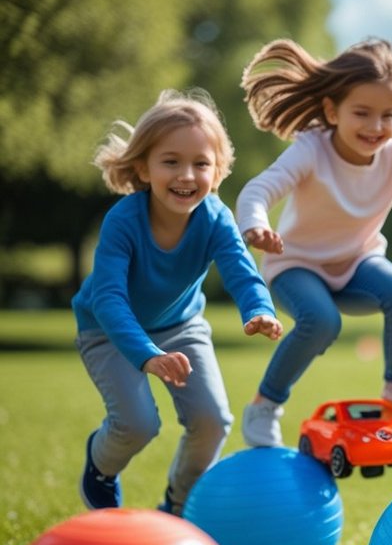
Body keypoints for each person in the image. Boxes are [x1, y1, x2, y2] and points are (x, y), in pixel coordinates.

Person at [235, 37, 392, 448]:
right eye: (362, 113)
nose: (375, 127)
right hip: (296, 266)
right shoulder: (311, 150)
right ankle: (264, 405)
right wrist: (255, 225)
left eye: (387, 115)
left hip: (358, 265)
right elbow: (259, 190)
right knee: (321, 321)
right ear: (331, 110)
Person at [73, 89, 283, 515]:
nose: (186, 175)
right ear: (143, 168)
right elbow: (109, 299)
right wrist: (147, 355)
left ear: (217, 170)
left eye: (201, 163)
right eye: (171, 161)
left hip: (181, 327)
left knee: (212, 421)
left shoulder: (216, 218)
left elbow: (242, 271)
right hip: (108, 330)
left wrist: (259, 309)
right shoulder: (122, 222)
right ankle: (100, 468)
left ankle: (178, 503)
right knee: (138, 424)